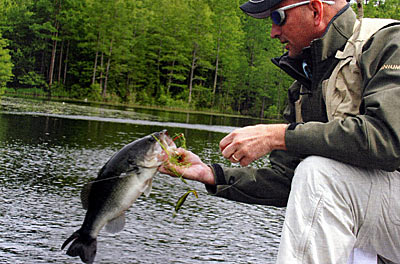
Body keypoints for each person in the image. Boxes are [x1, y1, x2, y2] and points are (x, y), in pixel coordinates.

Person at [159, 0, 400, 263]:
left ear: (316, 10)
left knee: (318, 173)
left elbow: (387, 138)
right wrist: (210, 175)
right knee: (313, 177)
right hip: (384, 218)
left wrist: (278, 135)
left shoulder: (389, 42)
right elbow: (288, 181)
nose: (273, 31)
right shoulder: (304, 87)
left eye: (277, 17)